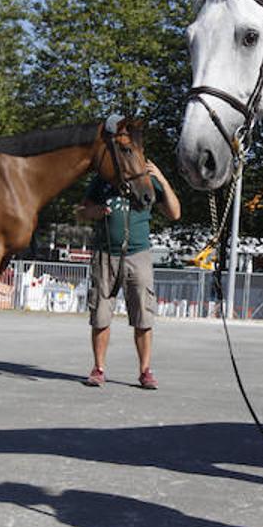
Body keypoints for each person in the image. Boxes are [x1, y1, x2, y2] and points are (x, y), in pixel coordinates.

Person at [75, 131, 181, 390]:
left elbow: (175, 213)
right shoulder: (102, 179)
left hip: (138, 254)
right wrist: (96, 212)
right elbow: (81, 212)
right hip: (105, 254)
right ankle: (98, 368)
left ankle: (145, 371)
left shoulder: (146, 179)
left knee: (143, 317)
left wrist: (162, 179)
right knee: (100, 315)